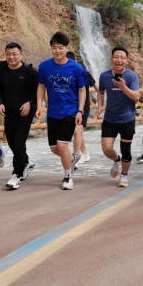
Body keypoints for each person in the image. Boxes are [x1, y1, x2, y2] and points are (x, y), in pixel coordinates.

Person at [35, 32, 88, 190]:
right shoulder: (44, 66)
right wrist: (39, 106)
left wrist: (80, 111)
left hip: (70, 110)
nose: (57, 50)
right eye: (54, 47)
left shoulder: (76, 68)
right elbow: (41, 87)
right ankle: (71, 158)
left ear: (66, 48)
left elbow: (82, 90)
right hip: (53, 111)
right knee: (54, 148)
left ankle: (68, 177)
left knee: (63, 146)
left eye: (60, 47)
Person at [0, 42, 38, 190]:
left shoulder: (30, 71)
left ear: (21, 55)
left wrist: (30, 103)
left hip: (25, 112)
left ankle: (16, 174)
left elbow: (38, 90)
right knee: (12, 142)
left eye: (14, 54)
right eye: (8, 54)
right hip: (9, 112)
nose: (11, 57)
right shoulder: (1, 71)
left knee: (18, 142)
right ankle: (26, 162)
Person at [96, 46, 140, 188]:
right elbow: (101, 91)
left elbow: (136, 97)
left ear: (127, 61)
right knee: (106, 148)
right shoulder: (104, 76)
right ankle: (116, 160)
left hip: (127, 118)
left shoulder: (131, 76)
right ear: (111, 59)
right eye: (116, 57)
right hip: (110, 118)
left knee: (126, 150)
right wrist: (100, 105)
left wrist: (123, 87)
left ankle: (124, 175)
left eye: (122, 58)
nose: (119, 60)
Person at [66, 51, 98, 168]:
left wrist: (101, 101)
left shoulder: (83, 71)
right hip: (71, 106)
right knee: (78, 131)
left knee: (76, 131)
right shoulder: (65, 73)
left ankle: (77, 156)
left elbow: (96, 86)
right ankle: (85, 153)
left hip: (83, 106)